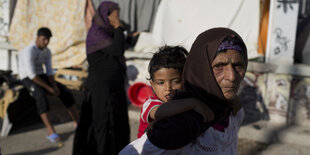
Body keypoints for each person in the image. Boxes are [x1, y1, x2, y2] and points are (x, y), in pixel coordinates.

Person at [119, 27, 247, 154]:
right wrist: (193, 104)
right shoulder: (180, 123)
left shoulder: (233, 110)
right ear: (202, 69)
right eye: (219, 66)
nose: (232, 76)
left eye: (238, 65)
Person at [73, 1, 130, 155]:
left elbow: (122, 45)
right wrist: (118, 26)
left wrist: (122, 30)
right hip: (101, 90)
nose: (117, 17)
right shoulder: (97, 34)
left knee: (116, 123)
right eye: (114, 14)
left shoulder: (109, 33)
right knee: (102, 124)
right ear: (106, 15)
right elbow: (118, 50)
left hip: (113, 89)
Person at [18, 27, 79, 145]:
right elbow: (32, 75)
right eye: (44, 39)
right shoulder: (28, 51)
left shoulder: (47, 51)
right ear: (37, 38)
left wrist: (55, 86)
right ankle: (51, 131)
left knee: (65, 91)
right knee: (40, 95)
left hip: (41, 75)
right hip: (28, 77)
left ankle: (77, 121)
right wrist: (49, 88)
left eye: (48, 40)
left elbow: (49, 71)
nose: (46, 42)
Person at [137, 46, 214, 138]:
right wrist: (193, 104)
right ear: (152, 85)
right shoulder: (150, 104)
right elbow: (159, 113)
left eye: (176, 81)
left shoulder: (185, 99)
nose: (168, 88)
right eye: (161, 83)